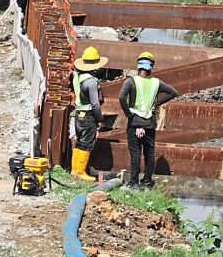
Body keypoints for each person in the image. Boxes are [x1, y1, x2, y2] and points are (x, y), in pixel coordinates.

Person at [118, 50, 178, 187]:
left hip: (134, 122)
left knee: (135, 153)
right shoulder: (157, 83)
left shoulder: (131, 81)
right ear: (151, 66)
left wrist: (128, 113)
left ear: (138, 66)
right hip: (149, 123)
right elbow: (173, 92)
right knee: (149, 154)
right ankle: (146, 183)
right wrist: (156, 104)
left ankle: (133, 183)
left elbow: (121, 97)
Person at [71, 45, 109, 181]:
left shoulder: (78, 76)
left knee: (80, 141)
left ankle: (74, 170)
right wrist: (99, 118)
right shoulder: (91, 81)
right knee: (87, 142)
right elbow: (95, 103)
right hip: (88, 115)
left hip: (78, 114)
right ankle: (80, 172)